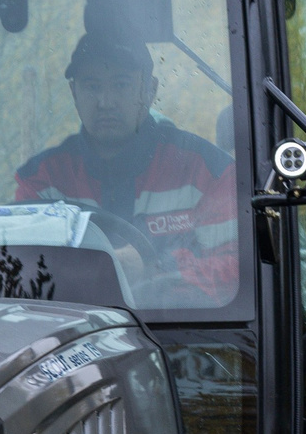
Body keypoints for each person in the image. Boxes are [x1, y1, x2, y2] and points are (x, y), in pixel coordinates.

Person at [12, 29, 239, 303]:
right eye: (92, 86)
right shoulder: (42, 182)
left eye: (121, 84)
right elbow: (22, 276)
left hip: (184, 337)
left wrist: (155, 267)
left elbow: (238, 272)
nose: (105, 102)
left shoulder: (207, 172)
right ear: (74, 92)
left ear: (150, 90)